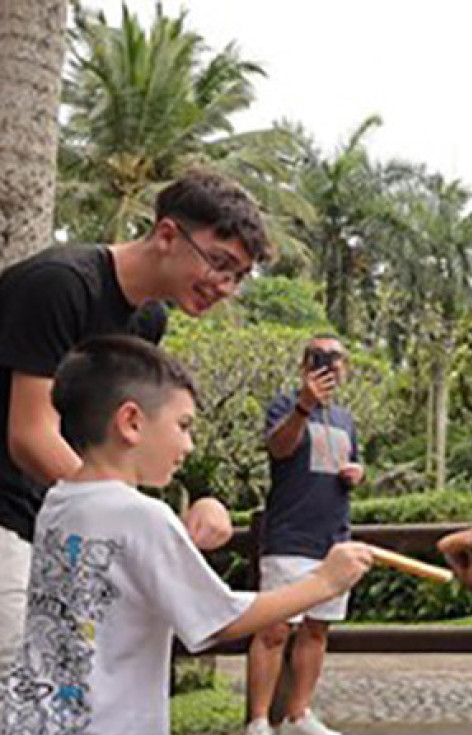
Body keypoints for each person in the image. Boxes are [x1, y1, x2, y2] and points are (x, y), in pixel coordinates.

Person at [0, 336, 374, 735]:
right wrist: (324, 582)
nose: (189, 444)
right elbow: (220, 618)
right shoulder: (142, 516)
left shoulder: (59, 501)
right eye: (183, 425)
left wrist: (189, 529)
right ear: (131, 422)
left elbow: (119, 567)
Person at [0, 169, 270, 675]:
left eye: (237, 276)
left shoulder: (148, 321)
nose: (224, 286)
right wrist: (138, 522)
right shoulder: (60, 285)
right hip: (7, 521)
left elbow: (121, 445)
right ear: (166, 234)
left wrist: (195, 504)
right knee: (20, 680)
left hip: (55, 524)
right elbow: (31, 436)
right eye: (219, 262)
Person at [244, 335, 365, 735]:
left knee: (317, 629)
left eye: (338, 358)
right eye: (321, 357)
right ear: (304, 365)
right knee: (274, 629)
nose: (331, 364)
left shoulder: (346, 419)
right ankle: (259, 723)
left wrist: (357, 473)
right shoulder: (285, 405)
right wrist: (303, 406)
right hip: (289, 537)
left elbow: (353, 462)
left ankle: (298, 715)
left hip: (333, 538)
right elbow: (279, 448)